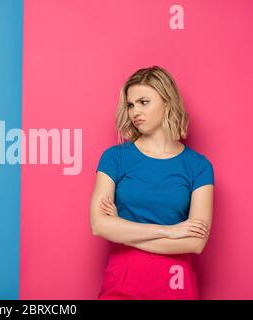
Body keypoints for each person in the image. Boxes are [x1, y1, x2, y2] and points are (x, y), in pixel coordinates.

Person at [89, 66, 214, 300]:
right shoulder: (114, 158)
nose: (135, 111)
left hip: (176, 286)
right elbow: (99, 225)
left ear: (167, 102)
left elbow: (196, 242)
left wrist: (122, 229)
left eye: (144, 102)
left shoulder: (199, 166)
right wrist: (171, 232)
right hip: (122, 283)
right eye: (131, 104)